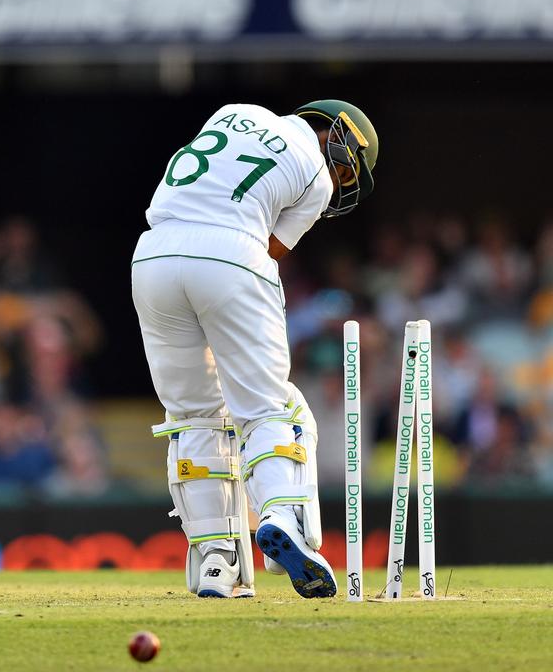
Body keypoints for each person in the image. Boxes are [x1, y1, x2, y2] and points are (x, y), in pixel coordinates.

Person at [131, 100, 378, 599]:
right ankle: (283, 517)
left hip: (153, 255)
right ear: (338, 135)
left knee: (192, 415)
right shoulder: (317, 176)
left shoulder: (229, 112)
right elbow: (272, 249)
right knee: (271, 406)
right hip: (233, 254)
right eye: (346, 167)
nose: (339, 180)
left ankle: (216, 564)